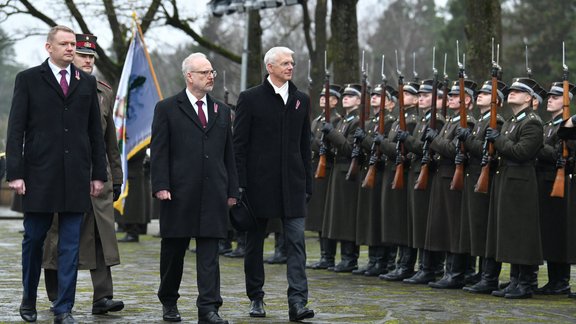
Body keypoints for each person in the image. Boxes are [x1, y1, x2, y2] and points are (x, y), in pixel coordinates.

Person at [6, 25, 107, 324]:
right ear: (48, 47)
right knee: (34, 240)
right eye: (64, 44)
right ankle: (28, 299)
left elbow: (94, 134)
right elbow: (16, 130)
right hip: (38, 175)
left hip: (75, 176)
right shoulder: (28, 80)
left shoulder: (86, 84)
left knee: (70, 246)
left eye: (72, 44)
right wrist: (16, 173)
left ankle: (64, 308)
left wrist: (97, 174)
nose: (70, 49)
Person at [151, 52, 238, 324]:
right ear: (189, 76)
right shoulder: (167, 108)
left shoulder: (221, 111)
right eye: (204, 72)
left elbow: (229, 155)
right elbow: (160, 151)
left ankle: (209, 308)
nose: (211, 76)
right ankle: (169, 300)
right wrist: (161, 185)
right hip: (178, 193)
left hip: (213, 193)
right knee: (174, 251)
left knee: (210, 252)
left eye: (212, 72)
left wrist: (233, 190)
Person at [41, 33, 125, 315]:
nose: (88, 61)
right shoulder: (51, 86)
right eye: (82, 55)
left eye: (91, 57)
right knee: (57, 235)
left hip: (97, 174)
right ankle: (57, 296)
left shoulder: (103, 90)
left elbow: (109, 138)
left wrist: (116, 173)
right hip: (61, 174)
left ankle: (102, 297)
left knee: (101, 235)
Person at [233, 46, 314, 322]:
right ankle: (256, 297)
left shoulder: (301, 100)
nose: (290, 67)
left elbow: (305, 146)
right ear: (270, 67)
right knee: (254, 244)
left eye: (292, 62)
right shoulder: (250, 98)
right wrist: (240, 185)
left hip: (292, 186)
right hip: (257, 187)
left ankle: (298, 302)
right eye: (284, 63)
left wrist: (308, 184)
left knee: (297, 243)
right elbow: (239, 146)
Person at [486, 77, 544, 299]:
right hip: (508, 179)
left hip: (521, 182)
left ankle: (526, 282)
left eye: (518, 91)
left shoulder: (532, 122)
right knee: (511, 232)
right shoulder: (513, 121)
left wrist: (498, 140)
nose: (511, 93)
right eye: (510, 90)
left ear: (529, 98)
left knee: (522, 232)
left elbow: (522, 152)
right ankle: (515, 280)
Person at [461, 79, 507, 294]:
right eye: (480, 92)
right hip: (475, 176)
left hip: (485, 177)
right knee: (476, 227)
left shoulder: (495, 121)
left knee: (484, 228)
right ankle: (481, 275)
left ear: (496, 100)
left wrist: (467, 140)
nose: (480, 94)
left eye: (486, 93)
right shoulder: (482, 120)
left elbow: (486, 151)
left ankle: (488, 277)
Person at [533, 82, 575, 296]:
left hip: (557, 181)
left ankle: (561, 280)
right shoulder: (549, 125)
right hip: (545, 181)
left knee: (558, 231)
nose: (550, 99)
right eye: (549, 96)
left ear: (566, 102)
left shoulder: (566, 126)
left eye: (556, 97)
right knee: (549, 232)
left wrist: (537, 146)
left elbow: (561, 155)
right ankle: (553, 280)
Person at [320, 83, 362, 273]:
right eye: (344, 95)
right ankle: (336, 257)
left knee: (346, 216)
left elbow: (349, 148)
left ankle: (349, 257)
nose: (346, 98)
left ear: (359, 100)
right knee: (336, 216)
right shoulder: (345, 120)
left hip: (349, 171)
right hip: (338, 169)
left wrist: (332, 133)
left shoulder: (357, 121)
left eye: (351, 96)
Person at [306, 84, 343, 270]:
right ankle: (323, 255)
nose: (322, 99)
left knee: (326, 215)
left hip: (327, 169)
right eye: (321, 96)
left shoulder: (336, 120)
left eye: (327, 97)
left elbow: (334, 146)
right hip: (316, 168)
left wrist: (314, 142)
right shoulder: (318, 120)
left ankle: (329, 256)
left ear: (335, 101)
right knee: (319, 215)